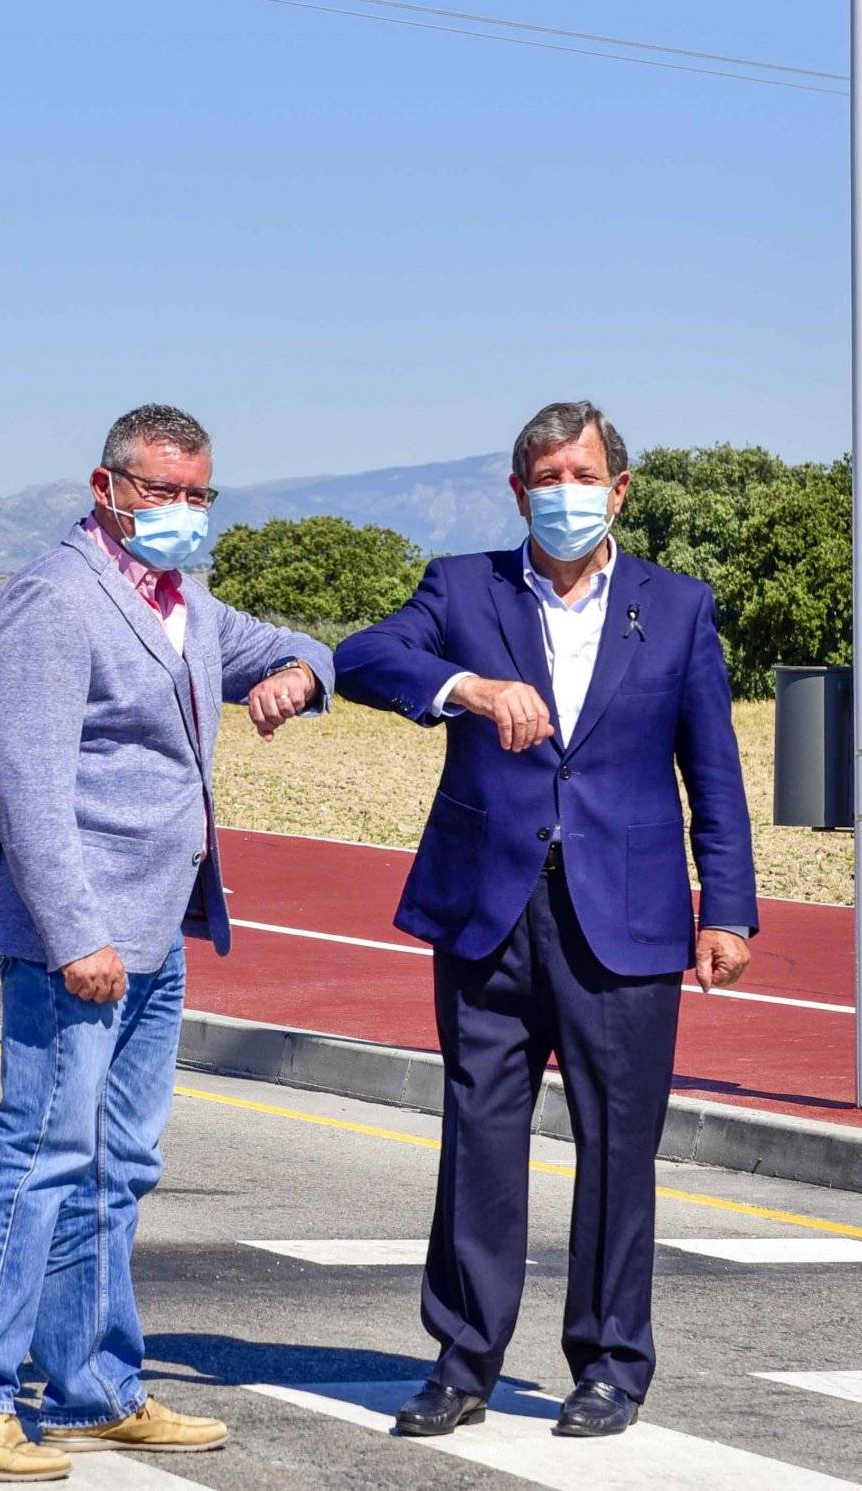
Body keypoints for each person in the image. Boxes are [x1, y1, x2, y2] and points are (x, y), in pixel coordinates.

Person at [0, 404, 331, 1483]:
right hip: (76, 938)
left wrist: (300, 675)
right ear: (106, 486)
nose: (180, 512)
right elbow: (27, 784)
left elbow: (289, 643)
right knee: (40, 1149)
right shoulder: (56, 600)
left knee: (115, 1163)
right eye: (161, 491)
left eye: (197, 494)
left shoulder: (180, 601)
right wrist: (75, 932)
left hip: (158, 927)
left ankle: (90, 1384)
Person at [332, 399, 757, 1441]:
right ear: (515, 489)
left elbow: (713, 770)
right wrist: (464, 686)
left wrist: (729, 909)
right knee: (479, 1135)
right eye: (544, 474)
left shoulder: (677, 603)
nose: (564, 490)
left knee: (620, 1145)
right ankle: (462, 1357)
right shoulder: (460, 587)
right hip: (489, 907)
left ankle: (610, 1364)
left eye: (583, 473)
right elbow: (359, 657)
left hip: (627, 914)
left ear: (619, 489)